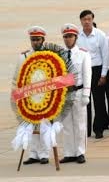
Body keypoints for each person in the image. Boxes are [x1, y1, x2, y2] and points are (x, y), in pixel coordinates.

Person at [18, 26, 51, 165]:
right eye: (33, 40)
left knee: (44, 126)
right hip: (29, 97)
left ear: (43, 40)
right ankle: (34, 153)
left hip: (45, 96)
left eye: (38, 39)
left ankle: (44, 153)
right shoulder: (24, 56)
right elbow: (19, 77)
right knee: (31, 127)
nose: (35, 42)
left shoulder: (50, 56)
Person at [77, 10, 109, 139]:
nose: (86, 21)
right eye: (84, 19)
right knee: (84, 100)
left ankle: (99, 128)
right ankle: (86, 130)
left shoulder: (100, 35)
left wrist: (103, 75)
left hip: (97, 70)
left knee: (99, 100)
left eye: (89, 19)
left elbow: (106, 56)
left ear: (92, 20)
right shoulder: (77, 36)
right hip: (82, 71)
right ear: (80, 21)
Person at [59, 24, 92, 164]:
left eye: (70, 36)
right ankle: (69, 152)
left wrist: (86, 93)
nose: (68, 39)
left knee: (79, 123)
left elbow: (87, 74)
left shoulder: (83, 53)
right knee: (66, 124)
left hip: (78, 92)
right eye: (65, 37)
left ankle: (80, 152)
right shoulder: (59, 54)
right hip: (64, 94)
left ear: (75, 38)